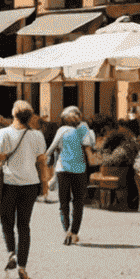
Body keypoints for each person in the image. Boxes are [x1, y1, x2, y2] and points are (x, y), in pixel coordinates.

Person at [0, 101, 50, 279]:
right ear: (30, 117)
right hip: (31, 184)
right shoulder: (37, 135)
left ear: (13, 115)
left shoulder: (4, 133)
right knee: (24, 225)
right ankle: (22, 267)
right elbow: (42, 162)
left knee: (6, 219)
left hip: (9, 184)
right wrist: (45, 185)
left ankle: (12, 252)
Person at [47, 106, 95, 247]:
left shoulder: (61, 131)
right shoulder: (84, 129)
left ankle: (67, 231)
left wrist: (52, 174)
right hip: (79, 170)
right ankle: (73, 232)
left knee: (63, 203)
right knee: (78, 202)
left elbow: (54, 150)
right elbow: (89, 145)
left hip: (63, 170)